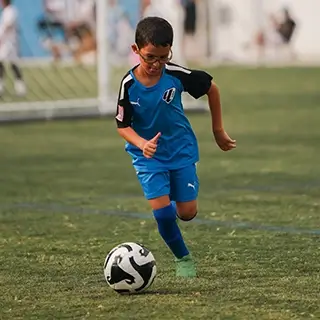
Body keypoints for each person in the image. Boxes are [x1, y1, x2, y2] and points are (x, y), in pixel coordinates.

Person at [115, 17, 236, 278]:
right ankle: (183, 258)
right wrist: (142, 144)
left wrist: (218, 131)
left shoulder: (176, 75)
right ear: (135, 51)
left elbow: (212, 89)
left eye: (163, 56)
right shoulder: (128, 85)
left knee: (187, 213)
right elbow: (122, 126)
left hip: (180, 150)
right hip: (147, 156)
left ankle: (174, 200)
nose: (157, 64)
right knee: (162, 213)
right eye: (150, 58)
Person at [0, 0, 26, 97]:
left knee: (12, 63)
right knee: (3, 63)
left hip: (10, 43)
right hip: (5, 42)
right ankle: (2, 86)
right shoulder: (5, 11)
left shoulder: (11, 11)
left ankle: (20, 86)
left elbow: (7, 25)